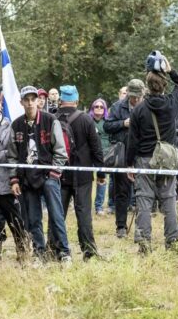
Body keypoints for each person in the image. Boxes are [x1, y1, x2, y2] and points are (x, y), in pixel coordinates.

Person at [126, 53, 178, 254]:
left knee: (144, 201)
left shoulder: (138, 110)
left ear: (147, 85)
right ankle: (172, 241)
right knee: (169, 201)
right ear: (164, 85)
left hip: (144, 160)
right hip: (167, 161)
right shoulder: (171, 104)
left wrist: (129, 164)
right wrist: (170, 71)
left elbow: (132, 140)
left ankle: (144, 244)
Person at [7, 86, 72, 264]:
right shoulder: (16, 125)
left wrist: (53, 174)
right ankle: (39, 252)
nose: (30, 103)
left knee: (56, 215)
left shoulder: (50, 120)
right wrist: (14, 179)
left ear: (38, 101)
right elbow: (11, 156)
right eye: (26, 100)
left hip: (48, 176)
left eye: (33, 99)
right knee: (33, 219)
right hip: (27, 179)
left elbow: (61, 152)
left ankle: (64, 252)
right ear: (21, 102)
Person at [53, 85, 105, 261]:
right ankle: (88, 251)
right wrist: (101, 173)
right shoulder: (86, 119)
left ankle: (54, 249)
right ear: (76, 100)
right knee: (83, 215)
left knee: (57, 214)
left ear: (60, 100)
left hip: (59, 174)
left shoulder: (52, 118)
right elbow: (97, 148)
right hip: (83, 176)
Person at [0, 91, 28, 260]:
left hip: (7, 178)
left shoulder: (8, 125)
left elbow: (11, 151)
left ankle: (23, 252)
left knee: (15, 218)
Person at [104, 79, 145, 238]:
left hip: (141, 152)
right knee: (122, 191)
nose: (135, 100)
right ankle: (121, 226)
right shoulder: (117, 106)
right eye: (132, 96)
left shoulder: (147, 106)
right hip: (122, 152)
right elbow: (107, 126)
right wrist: (123, 123)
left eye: (138, 97)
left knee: (142, 192)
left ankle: (141, 228)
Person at [89, 98, 111, 215]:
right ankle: (86, 205)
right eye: (96, 106)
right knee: (87, 180)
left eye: (101, 107)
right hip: (89, 155)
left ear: (105, 109)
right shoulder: (87, 121)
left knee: (102, 180)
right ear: (92, 108)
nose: (98, 108)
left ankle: (99, 206)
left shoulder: (108, 122)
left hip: (104, 155)